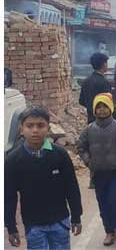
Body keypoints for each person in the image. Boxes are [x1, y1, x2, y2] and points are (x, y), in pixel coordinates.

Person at [5, 107, 83, 249]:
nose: (35, 130)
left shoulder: (60, 155)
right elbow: (9, 196)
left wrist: (76, 216)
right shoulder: (13, 160)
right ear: (21, 129)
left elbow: (71, 187)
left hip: (60, 221)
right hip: (33, 225)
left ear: (48, 128)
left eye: (40, 125)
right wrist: (11, 227)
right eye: (30, 126)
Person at [78, 93, 116, 246]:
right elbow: (81, 147)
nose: (101, 110)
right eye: (98, 107)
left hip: (115, 173)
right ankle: (108, 231)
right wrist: (89, 162)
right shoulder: (89, 129)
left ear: (111, 108)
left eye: (104, 107)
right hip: (98, 174)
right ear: (94, 110)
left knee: (115, 200)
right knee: (103, 203)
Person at [80, 53, 116, 124]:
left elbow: (81, 101)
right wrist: (115, 115)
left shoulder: (86, 81)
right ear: (104, 64)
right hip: (104, 122)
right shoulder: (104, 82)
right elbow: (109, 101)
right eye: (106, 63)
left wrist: (91, 107)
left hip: (91, 120)